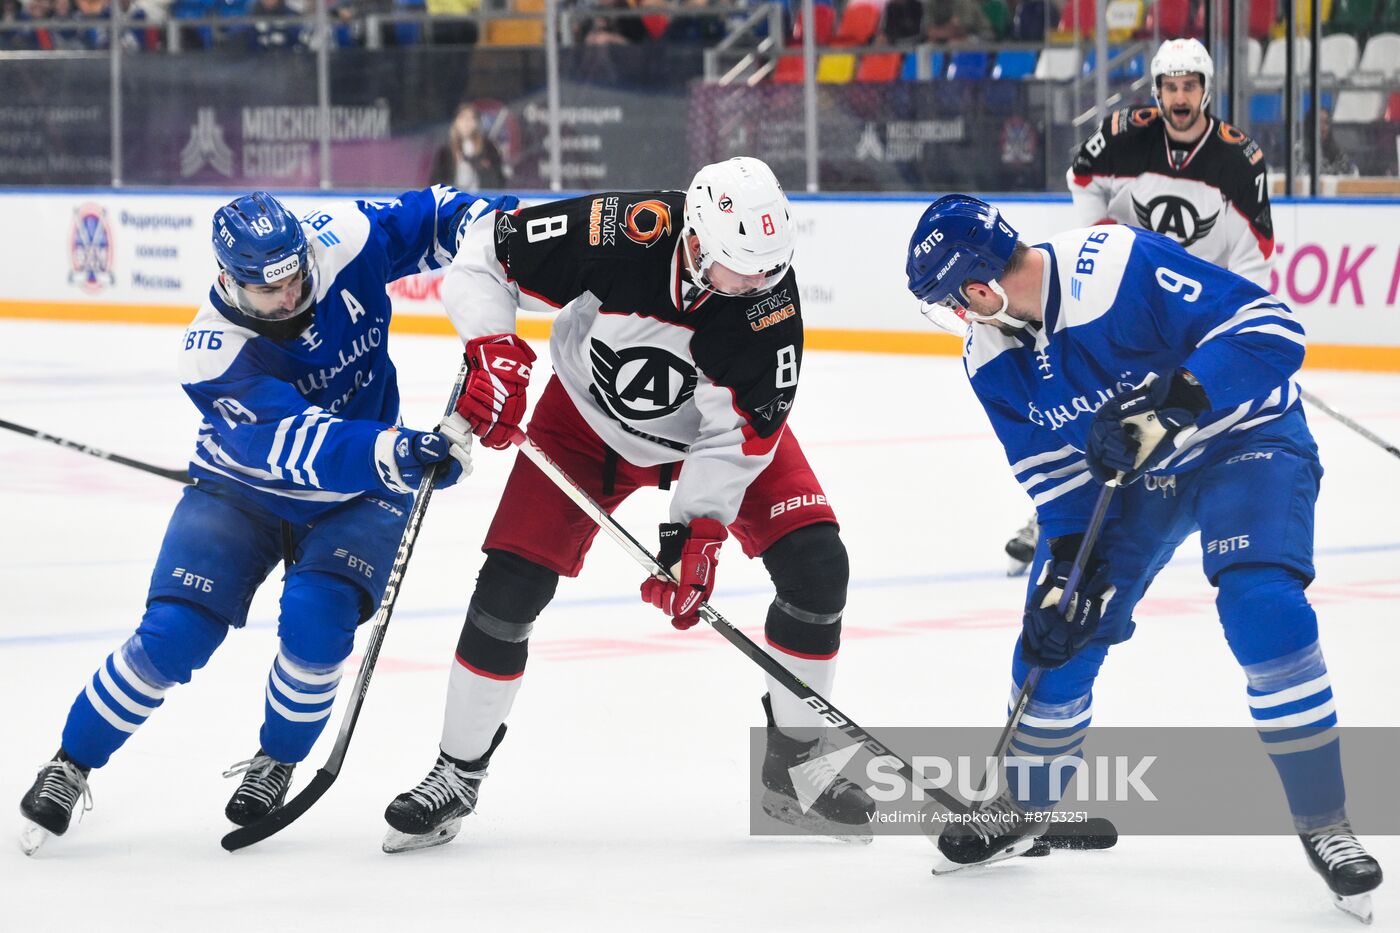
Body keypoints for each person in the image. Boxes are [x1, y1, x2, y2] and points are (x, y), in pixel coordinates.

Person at [903, 195, 1383, 922]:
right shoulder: (989, 359)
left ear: (977, 288)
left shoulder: (1117, 265)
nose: (960, 319)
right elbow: (1060, 490)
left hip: (1245, 441)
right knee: (1055, 632)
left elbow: (1273, 330)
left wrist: (1182, 395)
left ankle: (1325, 820)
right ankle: (1024, 805)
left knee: (1261, 603)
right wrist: (1066, 568)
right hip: (1141, 484)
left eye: (951, 303)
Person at [379, 156, 875, 853]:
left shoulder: (769, 309)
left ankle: (798, 770)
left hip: (708, 436)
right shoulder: (618, 232)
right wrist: (493, 347)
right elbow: (483, 256)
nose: (756, 286)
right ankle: (456, 774)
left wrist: (696, 534)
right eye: (741, 269)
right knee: (507, 590)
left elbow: (740, 435)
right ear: (696, 240)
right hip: (583, 422)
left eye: (769, 269)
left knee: (819, 566)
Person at [16, 185, 509, 855]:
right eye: (268, 289)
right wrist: (398, 452)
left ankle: (276, 757)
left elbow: (437, 215)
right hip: (243, 489)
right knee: (173, 634)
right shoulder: (211, 352)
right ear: (227, 278)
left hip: (359, 493)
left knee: (317, 623)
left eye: (295, 277)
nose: (289, 296)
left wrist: (513, 236)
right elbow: (301, 445)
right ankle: (70, 762)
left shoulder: (344, 236)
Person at [1002, 37, 1278, 576]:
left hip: (1192, 313)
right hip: (1122, 302)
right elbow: (1083, 179)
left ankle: (1232, 522)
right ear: (1157, 90)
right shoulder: (1125, 135)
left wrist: (1236, 327)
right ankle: (1058, 517)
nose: (1180, 97)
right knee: (1092, 407)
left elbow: (1254, 256)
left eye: (1190, 87)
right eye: (1171, 86)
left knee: (1178, 419)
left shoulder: (1238, 159)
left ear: (1206, 90)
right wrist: (1092, 236)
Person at [430, 102, 506, 191]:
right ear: (456, 121)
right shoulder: (446, 151)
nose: (467, 122)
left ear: (476, 122)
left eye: (471, 118)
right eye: (463, 118)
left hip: (481, 199)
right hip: (455, 200)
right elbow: (436, 182)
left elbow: (498, 179)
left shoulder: (488, 148)